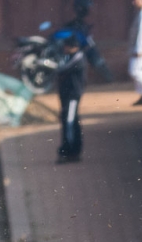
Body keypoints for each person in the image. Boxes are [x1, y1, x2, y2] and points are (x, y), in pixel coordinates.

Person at [56, 36, 86, 164]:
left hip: (72, 96)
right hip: (67, 96)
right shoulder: (70, 58)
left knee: (70, 122)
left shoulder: (77, 59)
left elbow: (62, 69)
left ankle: (70, 150)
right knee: (68, 120)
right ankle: (69, 150)